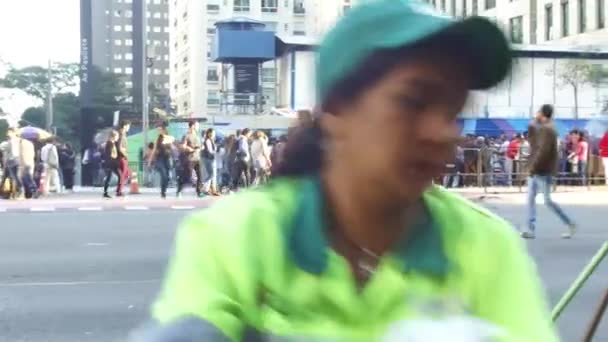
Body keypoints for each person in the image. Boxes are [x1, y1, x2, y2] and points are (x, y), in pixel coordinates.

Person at [133, 1, 556, 341]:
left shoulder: (486, 247)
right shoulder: (237, 236)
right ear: (335, 109)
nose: (442, 132)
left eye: (454, 111)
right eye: (413, 101)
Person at [521, 104, 576, 239]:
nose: (536, 114)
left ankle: (569, 223)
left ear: (543, 113)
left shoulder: (547, 129)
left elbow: (542, 151)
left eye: (538, 112)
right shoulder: (545, 128)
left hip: (542, 170)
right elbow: (535, 144)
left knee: (547, 201)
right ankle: (530, 228)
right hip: (538, 169)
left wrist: (532, 168)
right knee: (531, 198)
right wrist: (532, 126)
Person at [148, 123, 174, 199]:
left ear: (164, 130)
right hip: (160, 159)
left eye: (160, 129)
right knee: (163, 175)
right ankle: (163, 192)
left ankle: (164, 190)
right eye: (158, 130)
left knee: (167, 177)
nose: (159, 131)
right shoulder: (158, 139)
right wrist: (150, 161)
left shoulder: (169, 138)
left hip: (167, 158)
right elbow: (154, 150)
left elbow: (172, 148)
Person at [177, 120, 202, 197]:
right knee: (187, 176)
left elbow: (199, 146)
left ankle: (199, 192)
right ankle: (179, 190)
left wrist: (201, 148)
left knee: (200, 176)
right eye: (197, 125)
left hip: (197, 158)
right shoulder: (186, 135)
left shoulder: (197, 135)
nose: (198, 127)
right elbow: (182, 146)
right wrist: (189, 148)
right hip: (190, 159)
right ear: (192, 126)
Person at [102, 131, 122, 198]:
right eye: (117, 136)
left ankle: (118, 191)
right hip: (110, 163)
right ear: (113, 136)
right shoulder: (109, 143)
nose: (118, 137)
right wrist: (110, 163)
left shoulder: (113, 143)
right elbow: (109, 155)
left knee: (119, 176)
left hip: (113, 163)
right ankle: (105, 192)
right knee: (108, 178)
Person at [201, 128, 220, 196]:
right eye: (213, 133)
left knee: (213, 175)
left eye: (214, 133)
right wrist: (216, 151)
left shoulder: (212, 140)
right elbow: (210, 151)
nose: (214, 134)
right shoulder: (208, 141)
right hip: (208, 159)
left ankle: (211, 189)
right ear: (209, 133)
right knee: (211, 174)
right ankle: (204, 187)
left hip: (212, 159)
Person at [117, 120, 131, 196]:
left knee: (126, 174)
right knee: (123, 175)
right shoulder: (121, 134)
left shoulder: (123, 134)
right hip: (122, 157)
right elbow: (120, 147)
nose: (129, 128)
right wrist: (125, 154)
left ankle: (119, 189)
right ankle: (119, 191)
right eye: (128, 126)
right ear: (125, 126)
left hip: (122, 156)